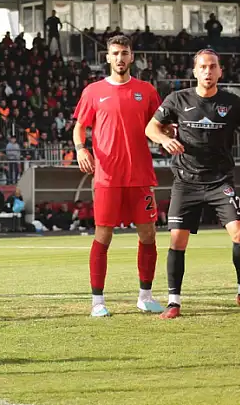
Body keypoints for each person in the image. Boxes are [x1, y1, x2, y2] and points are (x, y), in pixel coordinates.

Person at [145, 49, 240, 319]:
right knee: (177, 240)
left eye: (213, 67)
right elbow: (150, 128)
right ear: (195, 71)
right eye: (203, 67)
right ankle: (174, 301)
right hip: (186, 182)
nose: (208, 71)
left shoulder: (232, 103)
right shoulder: (177, 99)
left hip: (219, 182)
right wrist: (164, 140)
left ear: (220, 71)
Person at [73, 35, 164, 317]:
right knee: (103, 235)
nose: (120, 58)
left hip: (140, 175)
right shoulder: (93, 91)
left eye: (125, 53)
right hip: (107, 177)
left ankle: (145, 297)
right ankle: (97, 302)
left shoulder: (147, 90)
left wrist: (167, 134)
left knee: (148, 235)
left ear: (132, 57)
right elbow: (79, 127)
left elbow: (159, 124)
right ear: (107, 58)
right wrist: (80, 149)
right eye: (115, 53)